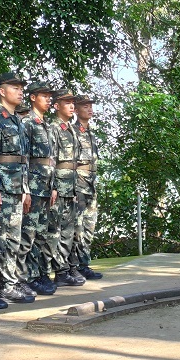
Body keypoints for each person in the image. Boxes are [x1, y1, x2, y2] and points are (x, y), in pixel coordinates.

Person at [0, 72, 34, 304]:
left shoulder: (17, 121)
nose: (20, 91)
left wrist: (24, 188)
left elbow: (22, 159)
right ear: (2, 91)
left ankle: (8, 284)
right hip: (0, 186)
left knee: (13, 238)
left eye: (22, 88)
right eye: (15, 87)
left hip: (15, 187)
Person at [20, 82, 57, 296]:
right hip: (33, 187)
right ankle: (26, 277)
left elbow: (50, 161)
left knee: (41, 234)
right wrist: (25, 188)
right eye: (44, 95)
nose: (49, 99)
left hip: (45, 187)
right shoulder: (27, 123)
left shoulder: (46, 125)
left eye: (50, 96)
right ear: (33, 98)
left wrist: (52, 187)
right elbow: (23, 159)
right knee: (28, 234)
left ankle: (38, 273)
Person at [50, 89, 84, 287]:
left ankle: (64, 270)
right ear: (57, 106)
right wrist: (53, 185)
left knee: (68, 231)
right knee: (55, 231)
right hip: (59, 186)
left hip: (70, 186)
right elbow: (51, 160)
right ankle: (57, 270)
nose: (72, 106)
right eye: (67, 102)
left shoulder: (70, 128)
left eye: (73, 102)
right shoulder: (53, 128)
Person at [71, 95, 102, 281]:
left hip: (91, 186)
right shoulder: (73, 132)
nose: (89, 109)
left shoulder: (90, 133)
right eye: (85, 106)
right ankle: (75, 266)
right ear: (76, 109)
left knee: (89, 228)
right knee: (77, 229)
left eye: (91, 106)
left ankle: (84, 264)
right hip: (78, 186)